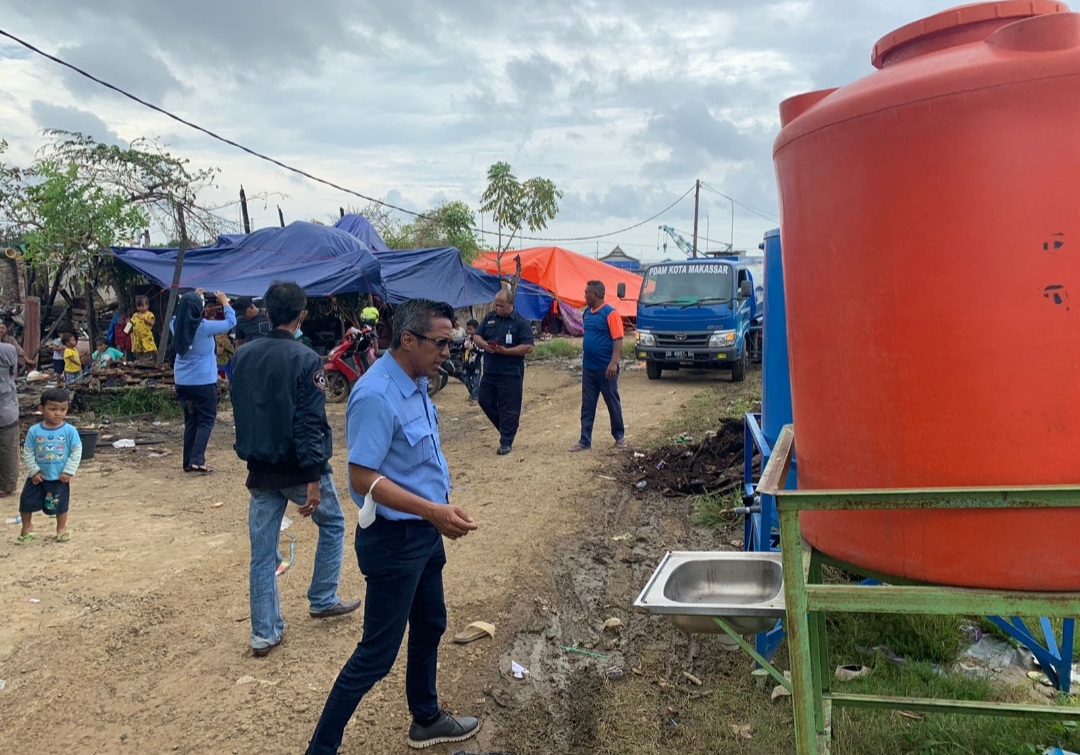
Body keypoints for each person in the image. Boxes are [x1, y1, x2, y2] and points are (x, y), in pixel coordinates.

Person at [307, 298, 480, 754]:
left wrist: (436, 512)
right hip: (394, 540)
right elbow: (361, 478)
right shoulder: (375, 395)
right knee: (376, 656)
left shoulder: (416, 382)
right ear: (408, 339)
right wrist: (431, 511)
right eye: (440, 343)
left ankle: (426, 718)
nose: (447, 351)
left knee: (431, 622)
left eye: (450, 342)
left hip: (424, 531)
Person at [232, 281, 360, 658]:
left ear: (267, 312)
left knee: (262, 552)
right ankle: (322, 597)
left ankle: (264, 633)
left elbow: (242, 410)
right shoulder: (306, 359)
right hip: (298, 467)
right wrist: (313, 476)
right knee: (333, 524)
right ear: (302, 316)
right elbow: (308, 423)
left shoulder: (243, 355)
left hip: (260, 468)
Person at [171, 290, 236, 473]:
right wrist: (224, 302)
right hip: (202, 382)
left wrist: (191, 296)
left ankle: (188, 461)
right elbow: (231, 322)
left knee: (191, 421)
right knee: (206, 420)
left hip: (182, 381)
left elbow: (176, 315)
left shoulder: (175, 325)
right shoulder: (204, 327)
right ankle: (197, 459)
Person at [472, 288, 534, 455]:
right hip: (490, 371)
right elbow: (477, 336)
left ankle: (506, 441)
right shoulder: (490, 318)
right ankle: (506, 428)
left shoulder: (520, 322)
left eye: (502, 305)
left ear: (511, 304)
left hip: (510, 373)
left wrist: (507, 351)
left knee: (509, 408)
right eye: (496, 305)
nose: (498, 308)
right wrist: (484, 344)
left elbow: (528, 347)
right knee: (484, 399)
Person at [16, 388, 81, 544]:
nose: (57, 413)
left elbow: (76, 451)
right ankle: (26, 527)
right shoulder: (34, 431)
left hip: (59, 477)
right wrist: (34, 471)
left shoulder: (70, 431)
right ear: (41, 409)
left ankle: (61, 528)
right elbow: (28, 451)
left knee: (60, 505)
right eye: (52, 409)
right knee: (26, 503)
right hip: (37, 477)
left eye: (62, 409)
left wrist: (69, 471)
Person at [570, 280, 627, 451]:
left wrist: (613, 363)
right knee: (587, 405)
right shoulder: (587, 313)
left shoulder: (610, 313)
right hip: (589, 368)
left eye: (586, 293)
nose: (584, 296)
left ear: (595, 295)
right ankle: (584, 440)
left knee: (612, 402)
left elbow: (618, 339)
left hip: (606, 369)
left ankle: (619, 436)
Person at [0, 341, 18, 497]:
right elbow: (14, 374)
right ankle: (7, 486)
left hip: (6, 407)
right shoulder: (8, 349)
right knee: (8, 448)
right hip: (7, 405)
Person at [130, 295, 157, 360]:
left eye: (142, 306)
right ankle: (142, 360)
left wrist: (145, 320)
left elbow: (152, 323)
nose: (140, 308)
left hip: (146, 336)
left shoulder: (149, 314)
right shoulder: (135, 315)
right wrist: (128, 324)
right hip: (137, 336)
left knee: (150, 348)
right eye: (138, 306)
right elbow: (131, 323)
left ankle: (154, 358)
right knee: (139, 350)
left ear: (147, 305)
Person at [462, 318, 481, 402]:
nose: (469, 331)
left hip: (476, 364)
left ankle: (475, 397)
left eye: (471, 329)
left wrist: (473, 349)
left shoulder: (480, 339)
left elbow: (482, 351)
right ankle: (472, 393)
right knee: (466, 380)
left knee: (475, 381)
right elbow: (463, 349)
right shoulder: (467, 339)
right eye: (468, 329)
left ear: (476, 329)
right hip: (467, 363)